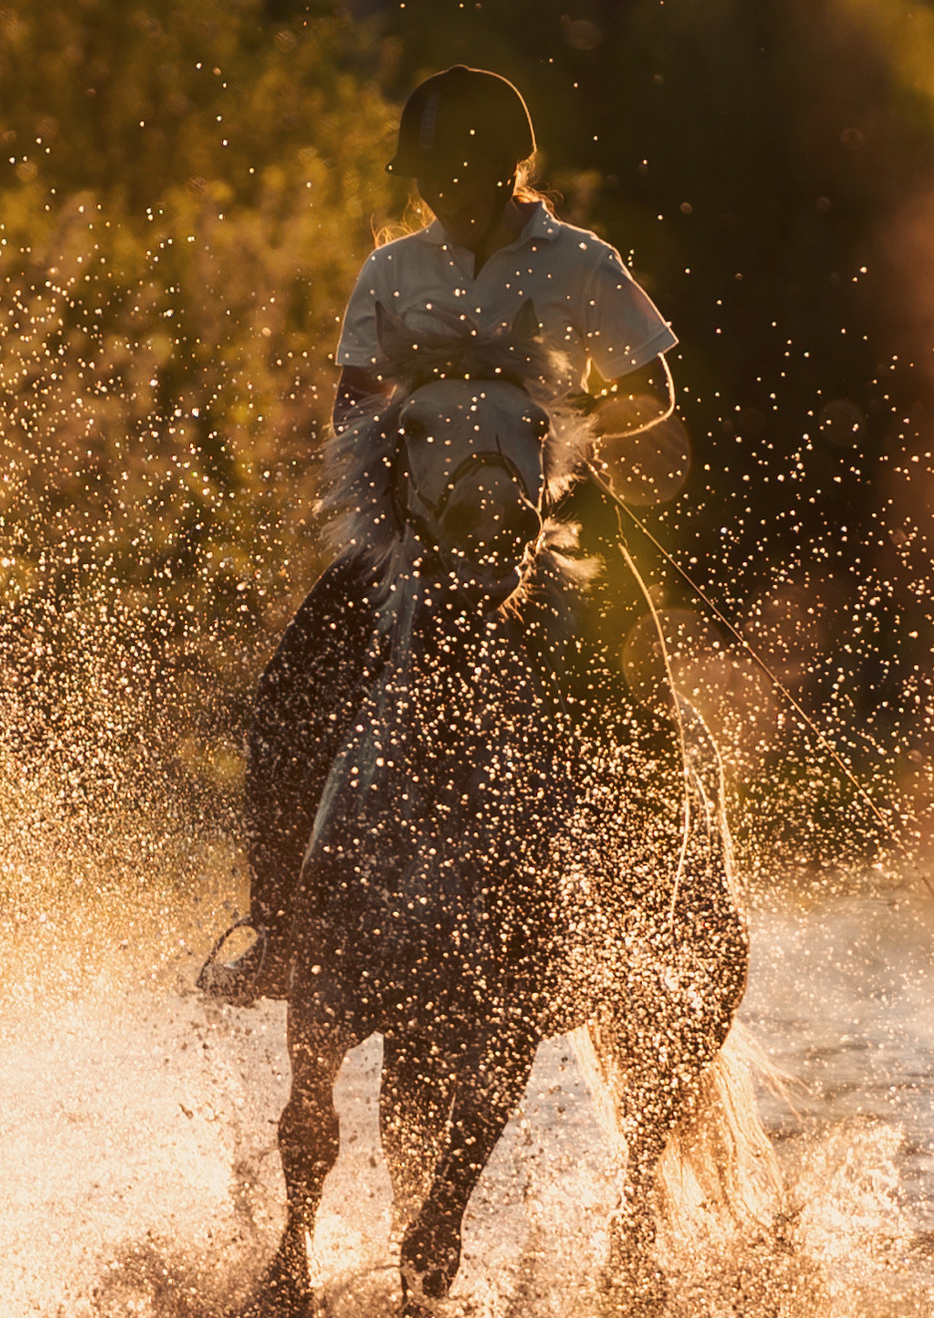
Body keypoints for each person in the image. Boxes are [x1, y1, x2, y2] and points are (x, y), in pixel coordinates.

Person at [200, 65, 680, 1006]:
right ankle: (282, 929)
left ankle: (636, 924)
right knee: (291, 691)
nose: (441, 197)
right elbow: (355, 398)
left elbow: (653, 390)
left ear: (507, 167)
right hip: (418, 528)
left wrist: (561, 421)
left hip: (551, 517)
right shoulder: (391, 270)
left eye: (458, 175)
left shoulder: (581, 261)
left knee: (637, 704)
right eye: (428, 181)